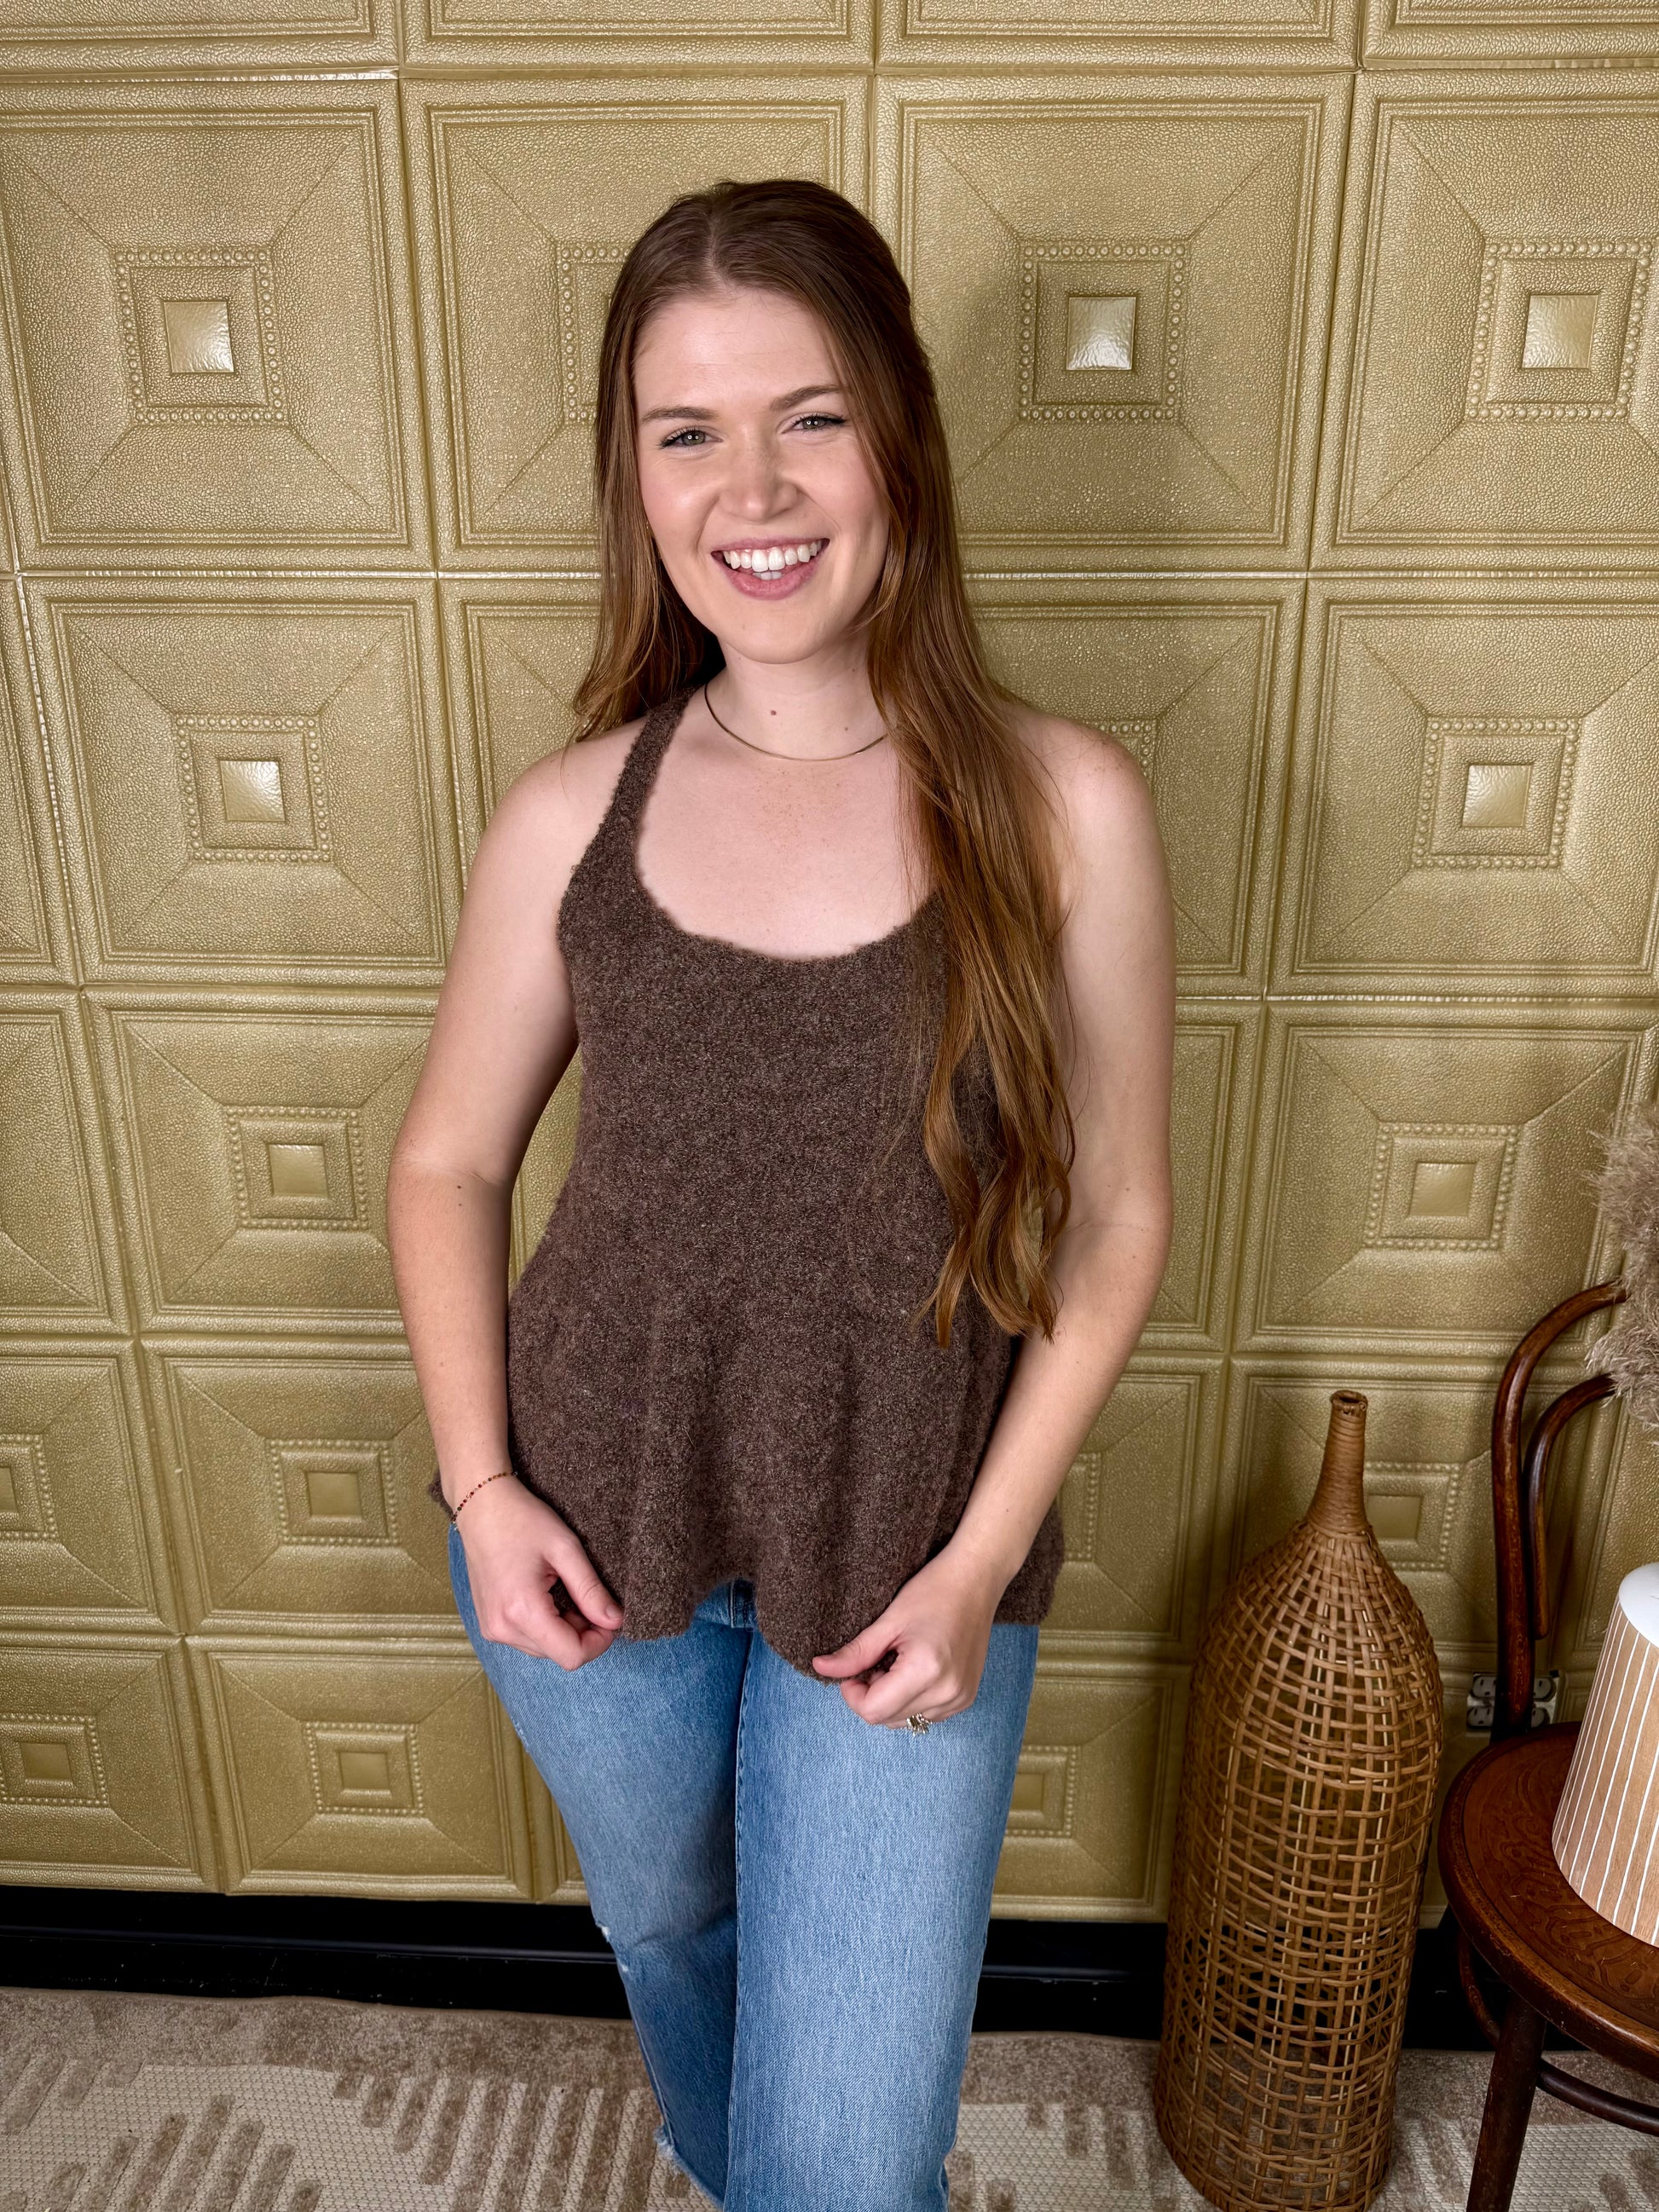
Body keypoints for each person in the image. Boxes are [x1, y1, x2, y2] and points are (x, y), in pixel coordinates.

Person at [386, 176, 1175, 2212]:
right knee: (675, 1930)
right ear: (634, 476)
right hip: (588, 1531)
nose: (752, 486)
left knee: (849, 2156)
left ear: (899, 432)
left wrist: (982, 1560)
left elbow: (1115, 1221)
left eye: (809, 415)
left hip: (910, 1549)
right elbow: (449, 1158)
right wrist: (482, 1489)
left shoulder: (1063, 804)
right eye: (688, 430)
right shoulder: (571, 814)